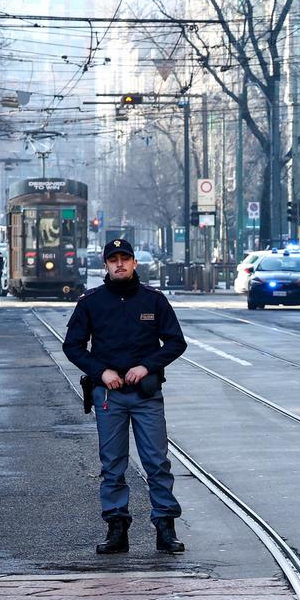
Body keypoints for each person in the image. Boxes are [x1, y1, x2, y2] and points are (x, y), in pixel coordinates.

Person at [62, 235, 188, 555]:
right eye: (113, 259)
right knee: (112, 464)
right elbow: (73, 346)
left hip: (146, 395)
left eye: (125, 258)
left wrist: (147, 366)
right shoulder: (91, 302)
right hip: (109, 395)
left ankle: (165, 527)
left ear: (134, 263)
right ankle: (116, 528)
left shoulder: (153, 300)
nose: (119, 264)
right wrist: (100, 371)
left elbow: (175, 342)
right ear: (105, 265)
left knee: (157, 462)